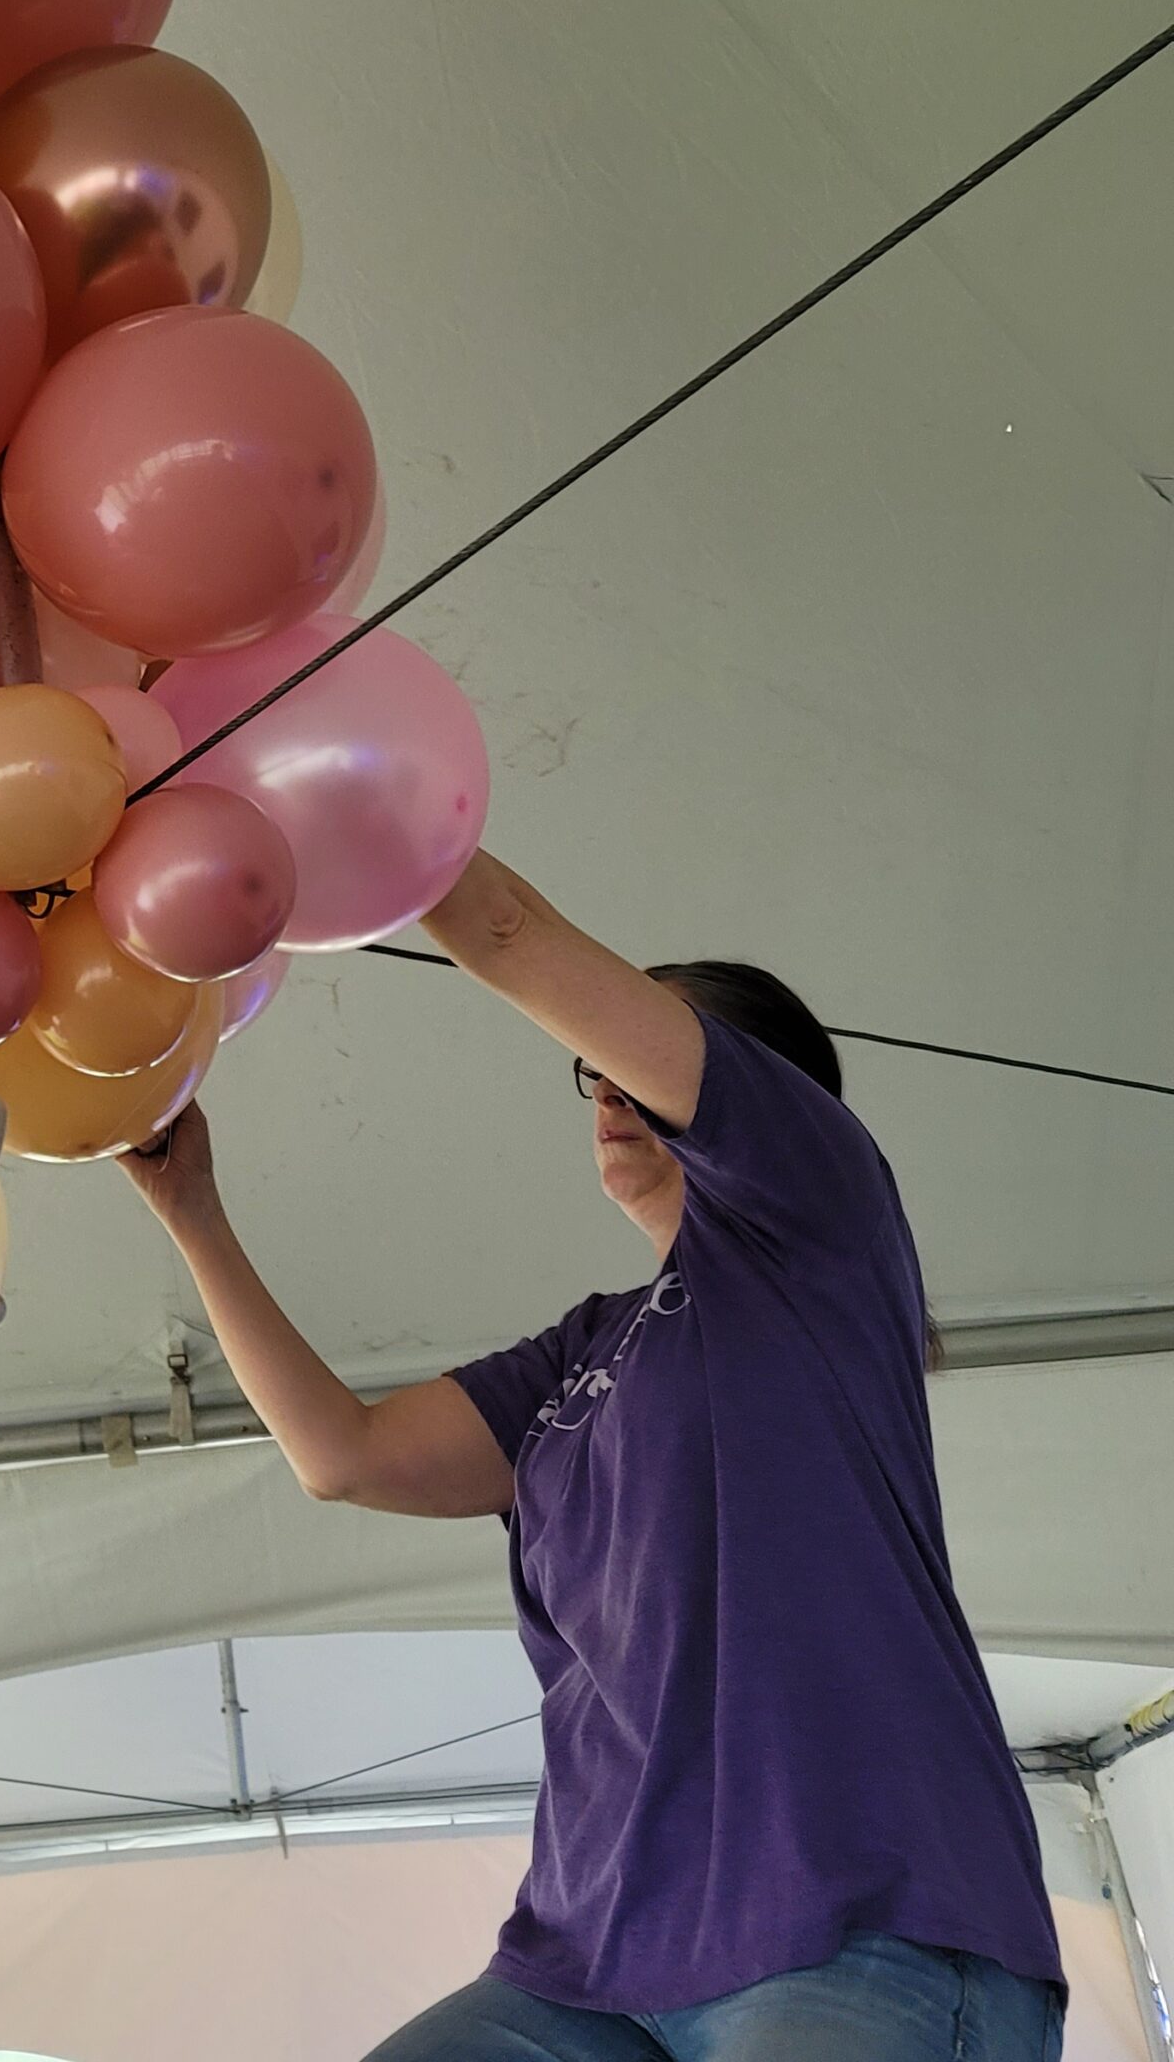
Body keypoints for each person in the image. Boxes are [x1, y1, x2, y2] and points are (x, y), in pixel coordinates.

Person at [121, 848, 1063, 2062]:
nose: (606, 1090)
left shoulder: (820, 1221)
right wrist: (190, 1208)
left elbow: (508, 932)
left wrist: (330, 822)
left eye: (640, 1055)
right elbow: (342, 1453)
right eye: (593, 1072)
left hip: (857, 1916)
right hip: (589, 1957)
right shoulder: (583, 1350)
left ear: (766, 1103)